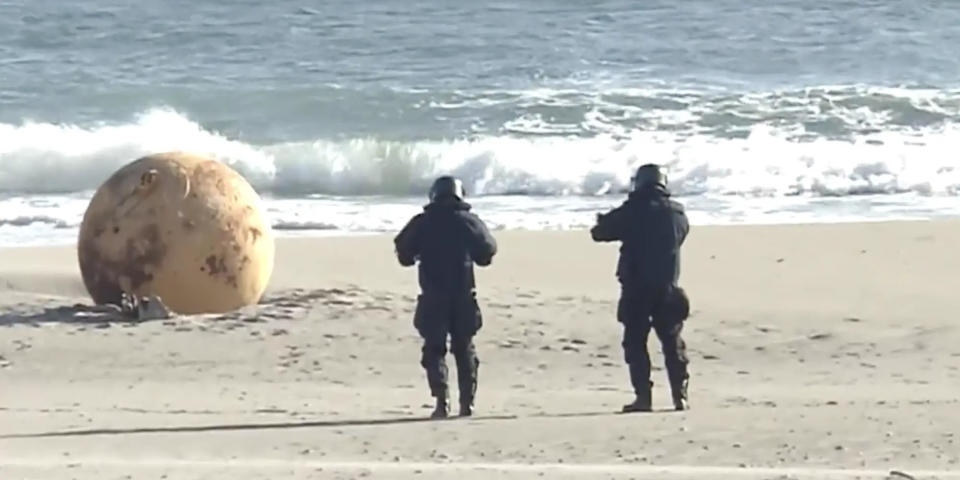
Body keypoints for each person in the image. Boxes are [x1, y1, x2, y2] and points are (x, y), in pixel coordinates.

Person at [394, 175, 498, 419]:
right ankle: (467, 403)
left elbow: (403, 254)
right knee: (465, 349)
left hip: (432, 297)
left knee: (434, 350)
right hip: (463, 296)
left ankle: (442, 401)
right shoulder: (469, 222)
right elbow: (488, 252)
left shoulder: (422, 222)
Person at [590, 164, 691, 412]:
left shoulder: (633, 210)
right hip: (668, 288)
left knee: (635, 344)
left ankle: (643, 398)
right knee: (672, 343)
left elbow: (599, 233)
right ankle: (680, 396)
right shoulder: (677, 213)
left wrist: (605, 220)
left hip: (636, 289)